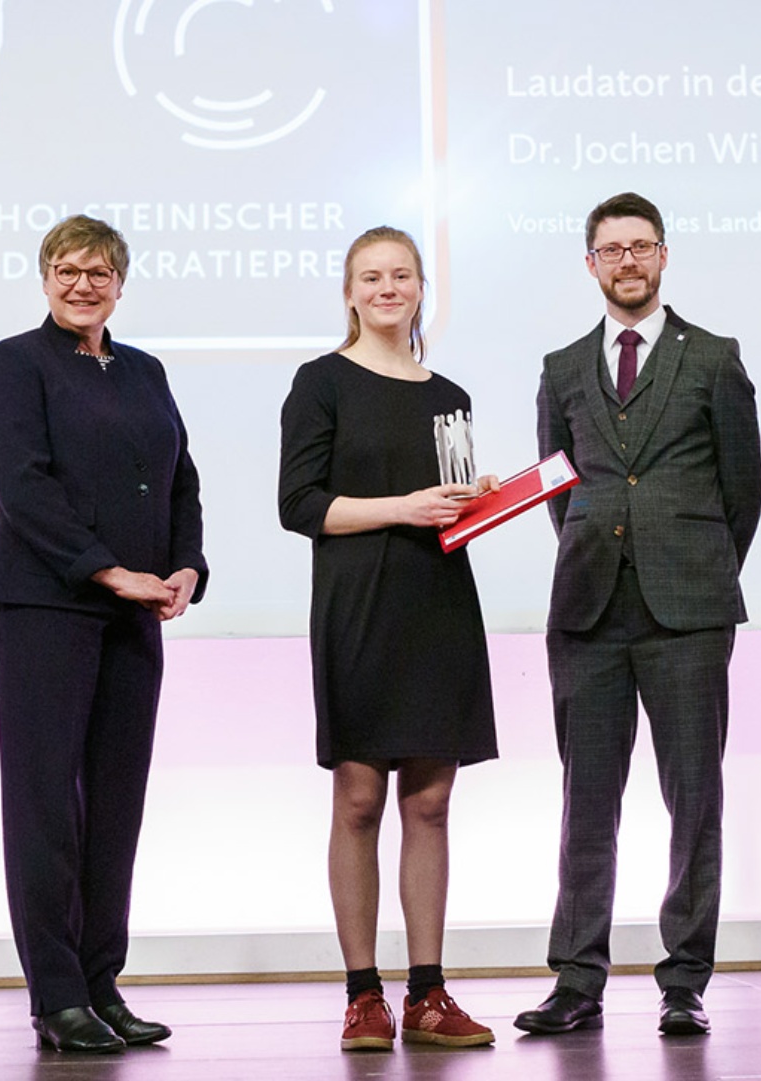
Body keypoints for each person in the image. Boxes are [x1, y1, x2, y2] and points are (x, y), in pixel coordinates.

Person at [515, 192, 761, 1039]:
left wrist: (691, 559)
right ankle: (577, 980)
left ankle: (684, 980)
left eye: (641, 247)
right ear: (591, 264)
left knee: (694, 799)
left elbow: (745, 492)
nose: (627, 261)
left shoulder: (716, 358)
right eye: (611, 249)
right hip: (588, 609)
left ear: (664, 256)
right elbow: (561, 485)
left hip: (689, 609)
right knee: (587, 800)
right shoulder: (561, 366)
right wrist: (603, 548)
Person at [0, 215, 208, 1054]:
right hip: (45, 604)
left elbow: (180, 474)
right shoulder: (14, 362)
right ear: (44, 278)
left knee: (116, 804)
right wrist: (111, 570)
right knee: (46, 805)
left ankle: (102, 981)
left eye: (100, 271)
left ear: (121, 281)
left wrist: (185, 565)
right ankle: (56, 992)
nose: (84, 284)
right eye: (68, 270)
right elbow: (24, 485)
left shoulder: (145, 370)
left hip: (137, 610)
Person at [278, 226, 500, 1052]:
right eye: (370, 276)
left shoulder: (451, 394)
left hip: (437, 602)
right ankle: (362, 993)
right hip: (358, 603)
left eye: (401, 274)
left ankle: (430, 992)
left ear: (419, 288)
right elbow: (300, 505)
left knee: (432, 803)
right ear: (348, 290)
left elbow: (454, 520)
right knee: (361, 799)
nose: (387, 287)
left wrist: (479, 499)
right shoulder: (320, 382)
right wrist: (403, 506)